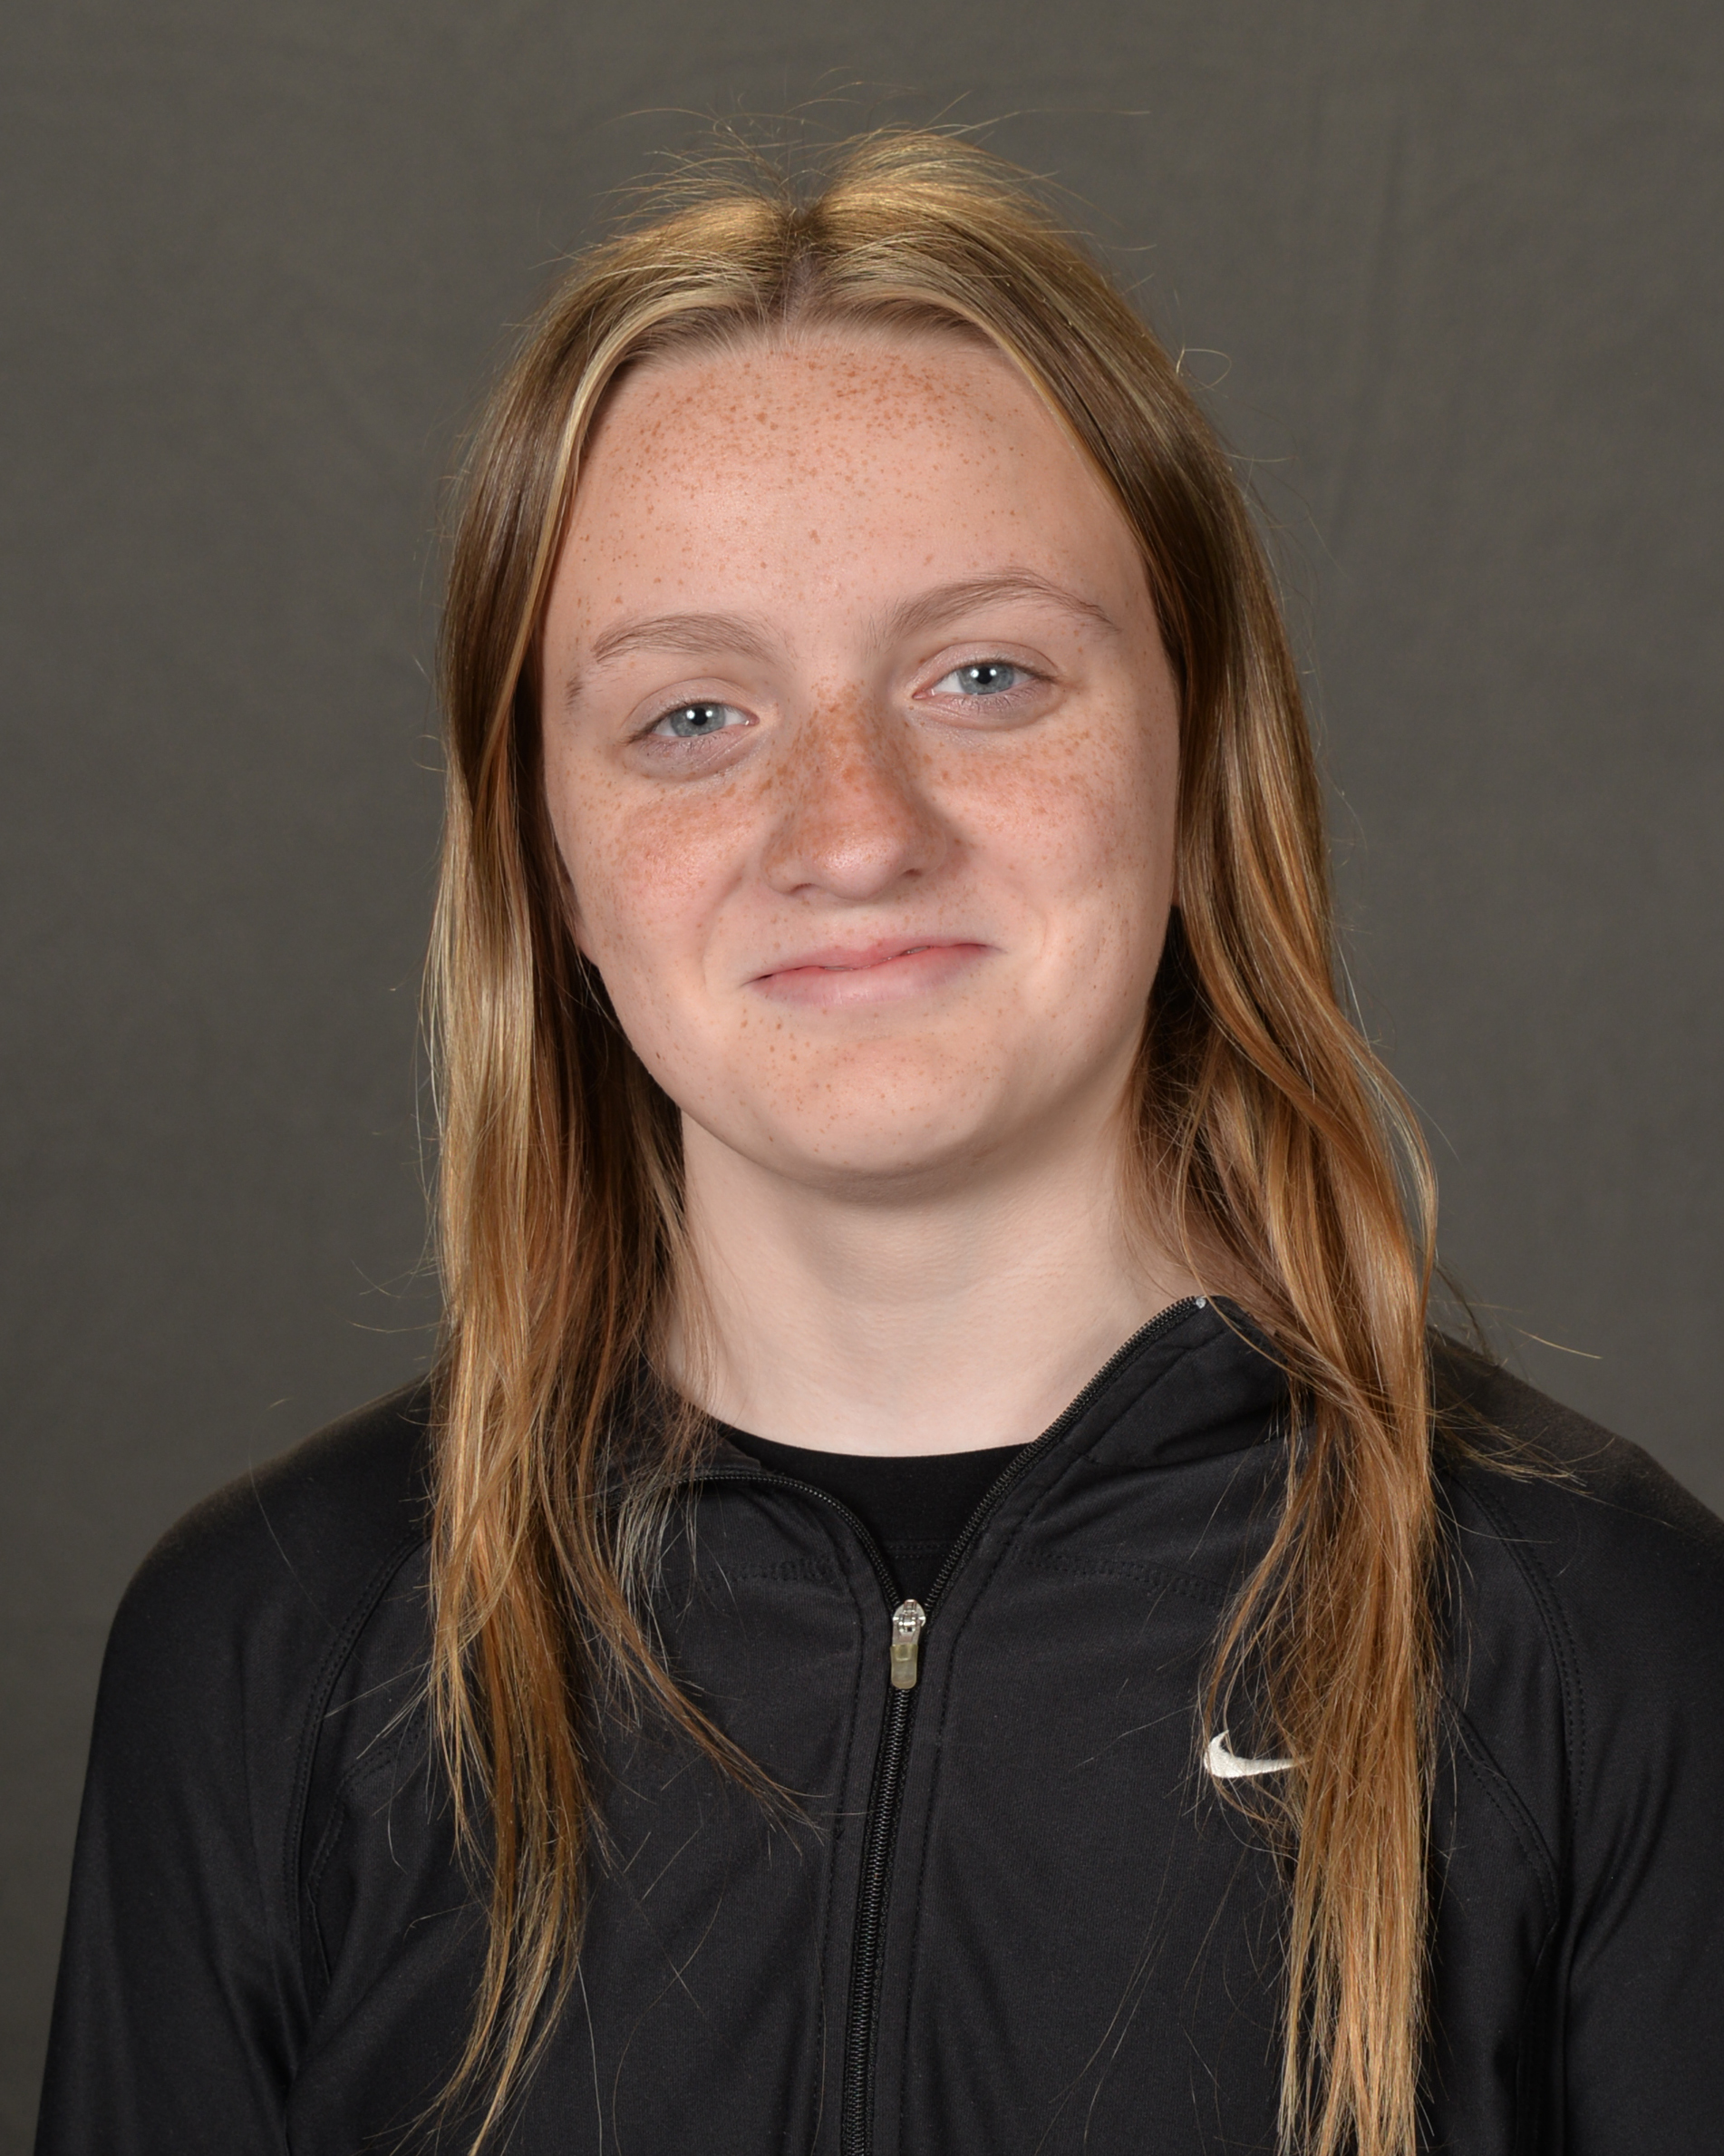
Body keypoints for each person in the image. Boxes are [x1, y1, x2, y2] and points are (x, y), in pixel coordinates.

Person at [34, 131, 1724, 2156]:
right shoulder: (273, 1652)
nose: (851, 831)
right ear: (547, 856)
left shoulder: (1590, 1639)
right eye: (691, 716)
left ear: (1196, 754)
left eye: (985, 675)